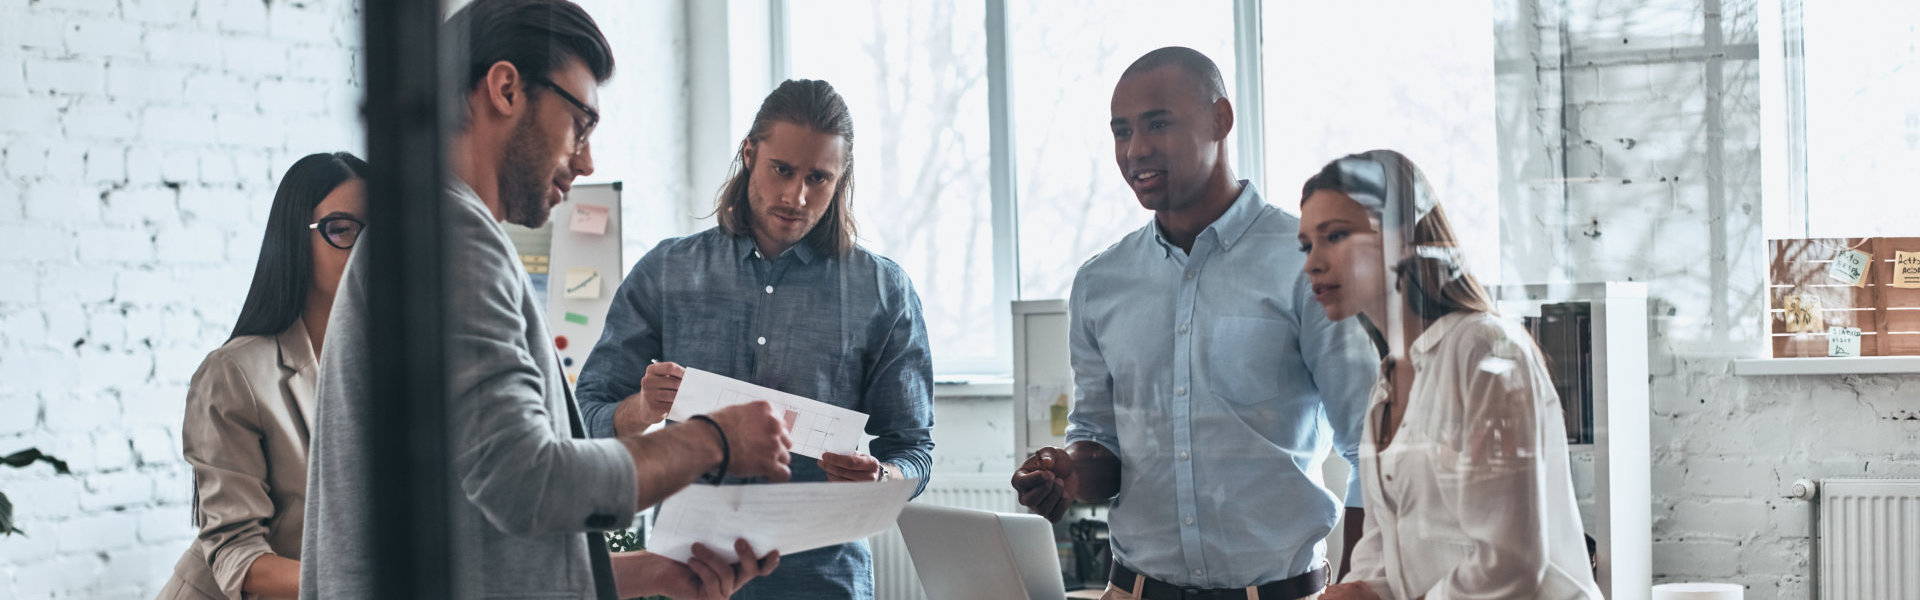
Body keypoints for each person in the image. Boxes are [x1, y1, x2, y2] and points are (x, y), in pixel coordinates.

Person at [299, 1, 790, 599]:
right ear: (506, 88)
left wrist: (647, 572)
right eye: (581, 124)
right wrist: (712, 440)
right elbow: (526, 482)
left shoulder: (435, 233)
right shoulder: (453, 238)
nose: (586, 162)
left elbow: (477, 520)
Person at [1008, 47, 1377, 600]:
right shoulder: (1099, 282)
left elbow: (1369, 450)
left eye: (1158, 124)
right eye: (1121, 131)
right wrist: (1069, 474)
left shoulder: (1306, 261)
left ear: (1220, 120)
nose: (1136, 150)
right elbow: (1099, 440)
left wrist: (1359, 586)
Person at [573, 78, 936, 600]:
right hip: (686, 577)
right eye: (782, 170)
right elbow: (591, 412)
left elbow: (914, 447)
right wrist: (642, 409)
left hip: (824, 581)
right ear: (749, 154)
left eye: (819, 178)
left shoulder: (885, 290)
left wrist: (882, 477)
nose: (797, 196)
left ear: (842, 178)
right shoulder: (668, 271)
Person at [1298, 150, 1603, 600]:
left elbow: (1511, 564)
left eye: (1335, 236)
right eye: (1307, 245)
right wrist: (1360, 589)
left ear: (1404, 237)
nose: (1312, 263)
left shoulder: (1484, 351)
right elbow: (1386, 547)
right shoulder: (1387, 381)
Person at [155, 152, 367, 600]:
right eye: (344, 230)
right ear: (295, 238)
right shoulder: (235, 374)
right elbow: (239, 557)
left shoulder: (386, 370)